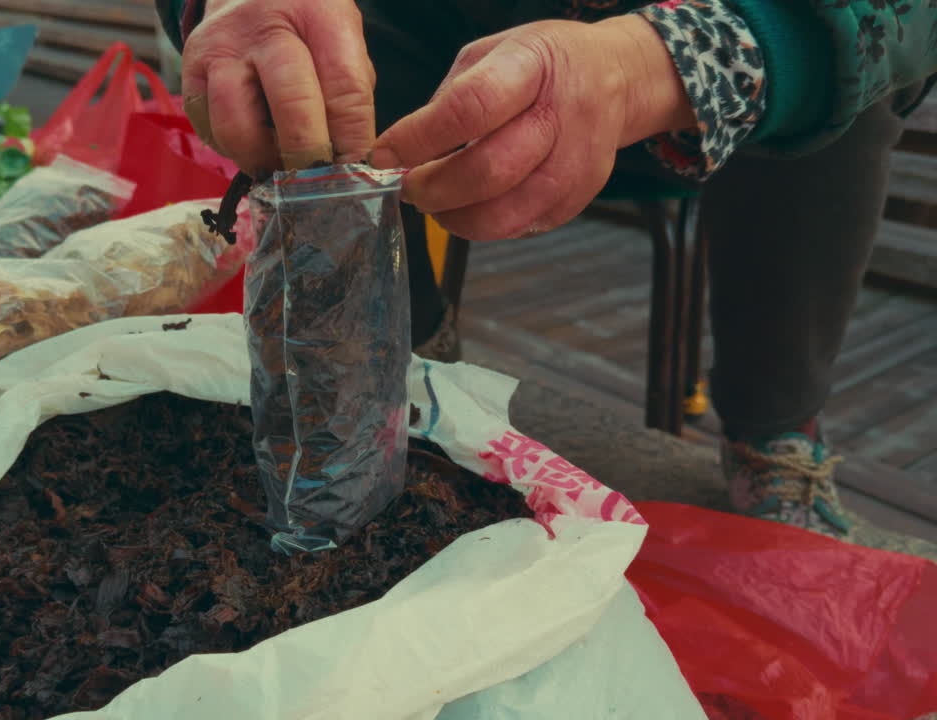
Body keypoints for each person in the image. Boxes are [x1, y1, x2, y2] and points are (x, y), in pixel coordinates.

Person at [155, 0, 936, 538]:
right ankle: (399, 378)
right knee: (321, 58)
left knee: (846, 88)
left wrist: (657, 61)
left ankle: (775, 435)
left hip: (720, 81)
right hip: (452, 66)